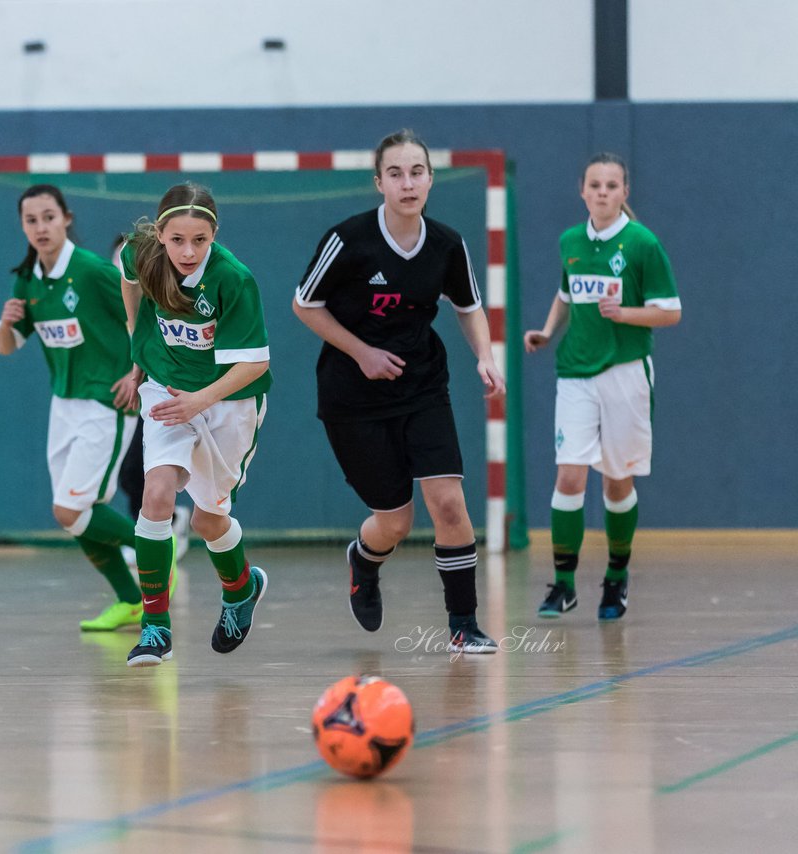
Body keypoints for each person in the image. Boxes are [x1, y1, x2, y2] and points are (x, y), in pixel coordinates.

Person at [292, 129, 504, 654]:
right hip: (353, 397)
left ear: (430, 179)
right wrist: (361, 351)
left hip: (423, 385)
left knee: (449, 503)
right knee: (394, 520)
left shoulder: (447, 245)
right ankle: (364, 561)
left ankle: (464, 624)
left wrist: (485, 355)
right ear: (379, 183)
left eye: (416, 172)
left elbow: (467, 305)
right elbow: (304, 304)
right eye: (395, 173)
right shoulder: (348, 240)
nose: (407, 183)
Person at [119, 182, 272, 667]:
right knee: (156, 495)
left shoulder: (233, 278)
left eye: (199, 240)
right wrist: (136, 339)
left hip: (229, 399)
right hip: (166, 390)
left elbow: (254, 366)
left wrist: (199, 402)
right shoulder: (141, 254)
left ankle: (241, 587)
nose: (188, 250)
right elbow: (126, 272)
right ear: (160, 234)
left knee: (208, 519)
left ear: (214, 236)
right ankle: (155, 628)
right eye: (178, 239)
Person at [524, 152, 681, 621]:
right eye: (595, 185)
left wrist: (625, 314)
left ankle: (616, 576)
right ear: (582, 190)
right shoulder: (570, 240)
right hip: (575, 372)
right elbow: (567, 292)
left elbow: (671, 311)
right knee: (569, 474)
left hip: (626, 373)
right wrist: (548, 331)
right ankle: (564, 583)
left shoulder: (642, 244)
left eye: (612, 186)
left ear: (624, 193)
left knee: (616, 483)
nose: (603, 193)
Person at [0, 184, 147, 632]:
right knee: (77, 518)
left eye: (48, 217)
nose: (40, 227)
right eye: (31, 220)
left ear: (66, 219)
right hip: (64, 405)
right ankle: (131, 600)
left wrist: (137, 372)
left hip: (107, 402)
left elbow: (146, 315)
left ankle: (155, 546)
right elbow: (7, 346)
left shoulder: (94, 270)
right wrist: (5, 323)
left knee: (69, 509)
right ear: (23, 226)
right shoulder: (26, 279)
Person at [110, 233, 192, 569]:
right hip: (138, 392)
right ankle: (166, 526)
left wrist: (140, 371)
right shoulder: (121, 300)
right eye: (120, 265)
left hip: (173, 390)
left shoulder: (171, 297)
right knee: (130, 474)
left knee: (141, 472)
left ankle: (169, 527)